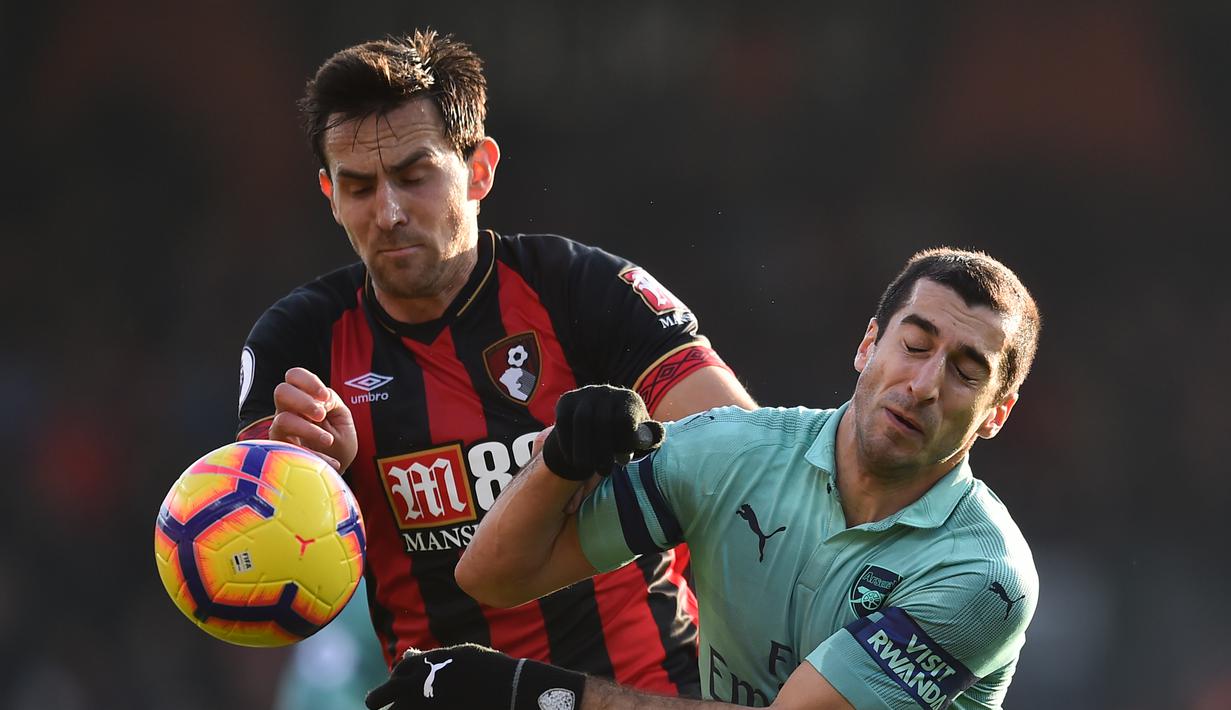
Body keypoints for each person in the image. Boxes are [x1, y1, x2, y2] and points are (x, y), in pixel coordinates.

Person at [236, 28, 757, 701]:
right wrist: (313, 483)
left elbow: (746, 464)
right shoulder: (298, 342)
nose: (388, 212)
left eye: (414, 174)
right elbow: (259, 567)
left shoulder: (580, 290)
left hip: (644, 691)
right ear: (329, 195)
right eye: (359, 186)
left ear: (478, 168)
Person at [367, 248, 1041, 709]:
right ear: (869, 345)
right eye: (914, 345)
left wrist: (536, 695)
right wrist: (559, 462)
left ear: (996, 415)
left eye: (965, 372)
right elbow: (493, 575)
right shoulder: (728, 453)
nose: (923, 385)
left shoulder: (984, 577)